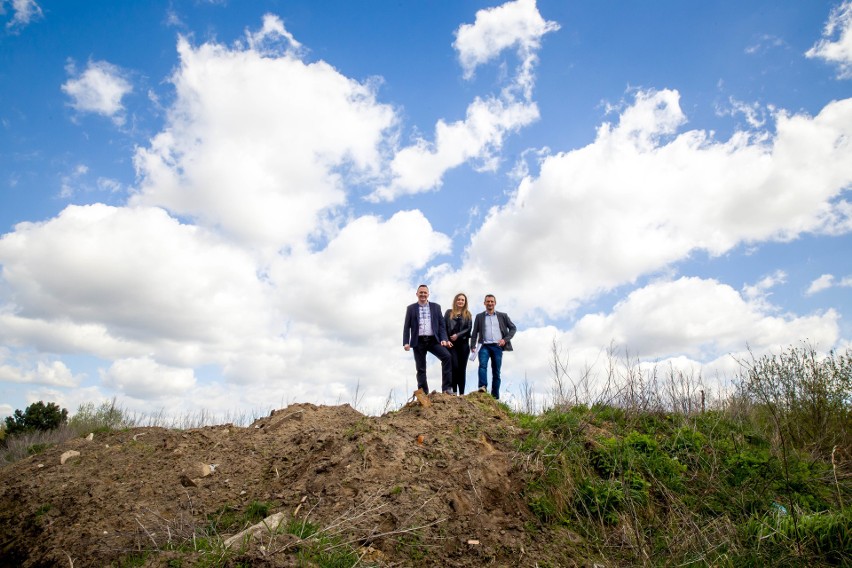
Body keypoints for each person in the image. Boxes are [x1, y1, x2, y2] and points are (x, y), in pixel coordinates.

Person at [403, 284, 453, 393]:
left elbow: (441, 325)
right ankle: (423, 392)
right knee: (421, 368)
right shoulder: (411, 308)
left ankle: (447, 388)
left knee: (447, 357)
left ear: (428, 294)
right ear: (417, 294)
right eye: (421, 292)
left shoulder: (436, 307)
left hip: (433, 340)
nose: (423, 294)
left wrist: (443, 338)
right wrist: (406, 342)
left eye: (425, 293)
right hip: (418, 341)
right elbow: (407, 326)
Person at [469, 294, 516, 399]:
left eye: (492, 301)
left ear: (495, 303)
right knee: (482, 366)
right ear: (484, 303)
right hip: (484, 345)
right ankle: (482, 387)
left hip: (497, 346)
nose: (490, 303)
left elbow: (513, 328)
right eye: (488, 301)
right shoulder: (479, 316)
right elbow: (474, 332)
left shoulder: (503, 316)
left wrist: (505, 339)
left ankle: (495, 396)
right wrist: (472, 345)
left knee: (496, 371)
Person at [444, 292, 472, 395]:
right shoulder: (448, 313)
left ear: (465, 302)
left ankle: (462, 393)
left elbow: (469, 328)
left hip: (464, 345)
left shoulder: (468, 314)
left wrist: (458, 335)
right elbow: (444, 327)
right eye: (459, 299)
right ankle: (454, 391)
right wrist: (447, 340)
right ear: (455, 301)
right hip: (452, 345)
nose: (460, 301)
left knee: (462, 369)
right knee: (454, 367)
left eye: (462, 300)